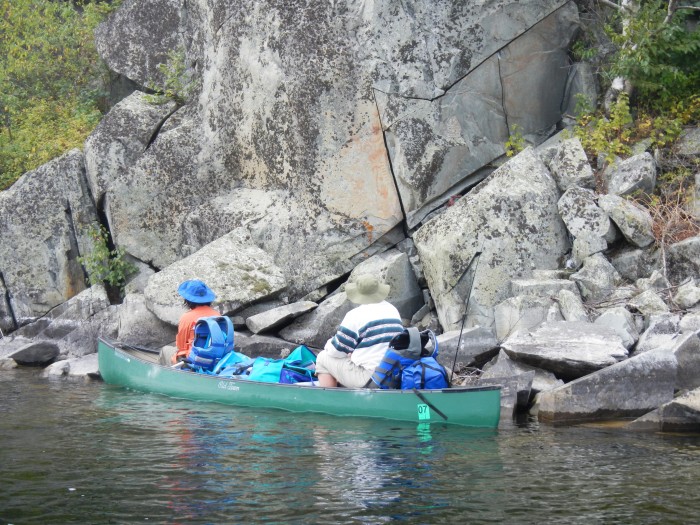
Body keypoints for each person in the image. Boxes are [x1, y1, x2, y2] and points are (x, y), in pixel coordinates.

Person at [315, 274, 404, 388]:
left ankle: (331, 400)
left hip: (370, 378)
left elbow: (336, 351)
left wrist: (329, 343)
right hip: (393, 374)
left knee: (323, 358)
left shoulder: (355, 315)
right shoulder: (393, 310)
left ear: (359, 294)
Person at [172, 279, 220, 364]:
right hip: (216, 359)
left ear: (188, 300)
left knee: (166, 351)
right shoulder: (218, 315)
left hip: (194, 360)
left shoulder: (187, 317)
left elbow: (181, 346)